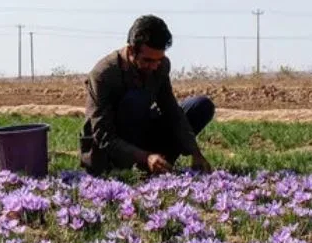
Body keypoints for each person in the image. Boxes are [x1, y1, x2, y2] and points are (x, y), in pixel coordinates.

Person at [80, 15, 215, 175]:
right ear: (131, 51)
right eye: (148, 60)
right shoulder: (103, 74)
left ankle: (161, 161)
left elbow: (171, 110)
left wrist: (195, 153)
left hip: (143, 132)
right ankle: (141, 164)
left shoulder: (160, 65)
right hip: (111, 147)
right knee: (135, 100)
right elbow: (103, 135)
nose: (154, 66)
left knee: (200, 106)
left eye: (159, 59)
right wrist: (145, 157)